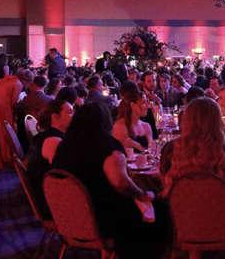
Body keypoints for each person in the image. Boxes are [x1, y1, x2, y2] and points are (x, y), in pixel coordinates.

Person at [53, 102, 167, 258]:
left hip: (67, 217)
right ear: (106, 121)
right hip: (102, 219)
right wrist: (143, 194)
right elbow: (121, 183)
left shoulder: (63, 146)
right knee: (159, 208)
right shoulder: (108, 146)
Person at [160, 97, 225, 233]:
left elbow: (165, 183)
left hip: (181, 222)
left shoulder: (169, 150)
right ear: (218, 121)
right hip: (224, 223)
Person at [26, 99, 74, 220]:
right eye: (69, 112)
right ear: (55, 117)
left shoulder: (47, 135)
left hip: (50, 194)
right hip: (52, 205)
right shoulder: (53, 141)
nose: (74, 115)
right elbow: (63, 176)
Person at [0, 69, 33, 169]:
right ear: (26, 80)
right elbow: (14, 103)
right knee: (3, 131)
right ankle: (2, 157)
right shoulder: (17, 84)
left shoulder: (7, 79)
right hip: (1, 109)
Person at [112, 86, 153, 153]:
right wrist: (136, 145)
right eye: (143, 102)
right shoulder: (119, 127)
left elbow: (151, 151)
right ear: (133, 105)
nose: (147, 106)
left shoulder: (146, 126)